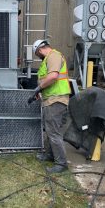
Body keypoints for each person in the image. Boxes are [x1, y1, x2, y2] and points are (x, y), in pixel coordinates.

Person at [28, 39, 71, 173]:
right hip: (51, 99)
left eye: (37, 54)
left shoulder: (53, 56)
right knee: (50, 129)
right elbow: (47, 80)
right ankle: (51, 155)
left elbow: (52, 77)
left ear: (40, 50)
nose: (38, 57)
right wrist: (39, 91)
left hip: (56, 99)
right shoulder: (49, 59)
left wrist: (38, 88)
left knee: (54, 132)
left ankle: (61, 163)